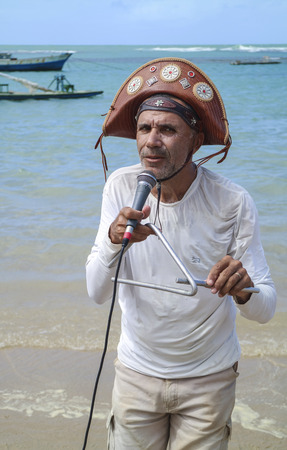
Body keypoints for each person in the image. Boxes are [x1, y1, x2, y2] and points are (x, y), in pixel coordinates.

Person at [86, 57, 276, 449]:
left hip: (210, 378)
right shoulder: (121, 187)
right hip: (136, 372)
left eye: (167, 129)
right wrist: (111, 238)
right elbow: (96, 292)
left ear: (194, 139)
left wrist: (244, 289)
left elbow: (265, 309)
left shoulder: (233, 201)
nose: (151, 141)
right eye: (144, 128)